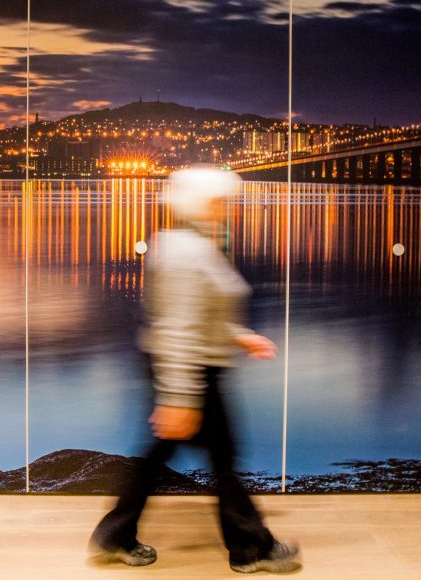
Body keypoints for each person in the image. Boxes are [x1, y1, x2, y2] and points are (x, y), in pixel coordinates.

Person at [89, 167, 301, 574]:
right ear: (202, 203)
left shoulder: (197, 244)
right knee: (219, 458)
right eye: (222, 201)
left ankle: (116, 535)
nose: (229, 209)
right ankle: (251, 549)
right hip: (191, 371)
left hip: (195, 368)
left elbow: (202, 313)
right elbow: (178, 328)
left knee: (170, 455)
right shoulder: (187, 252)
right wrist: (178, 397)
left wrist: (240, 337)